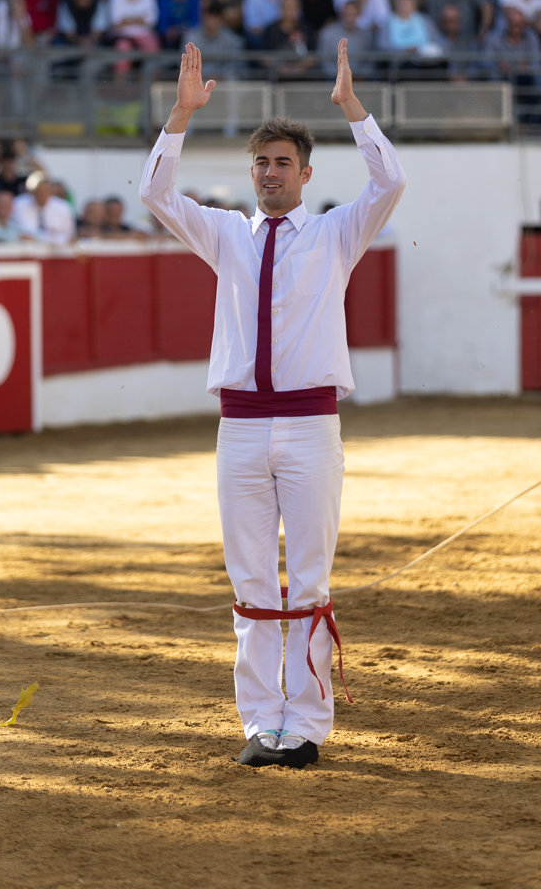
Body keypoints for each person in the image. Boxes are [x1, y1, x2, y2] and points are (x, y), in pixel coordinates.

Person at [138, 39, 406, 768]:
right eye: (261, 163)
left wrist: (352, 108)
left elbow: (390, 184)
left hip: (314, 423)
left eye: (283, 162)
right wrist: (182, 114)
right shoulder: (227, 234)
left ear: (305, 174)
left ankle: (308, 725)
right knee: (252, 580)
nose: (270, 173)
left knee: (310, 578)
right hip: (243, 429)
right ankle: (262, 723)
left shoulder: (334, 234)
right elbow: (156, 195)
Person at [12, 170, 77, 244]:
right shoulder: (18, 204)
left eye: (45, 191)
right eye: (38, 191)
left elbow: (70, 236)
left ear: (51, 192)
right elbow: (16, 232)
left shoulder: (64, 207)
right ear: (32, 192)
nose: (41, 195)